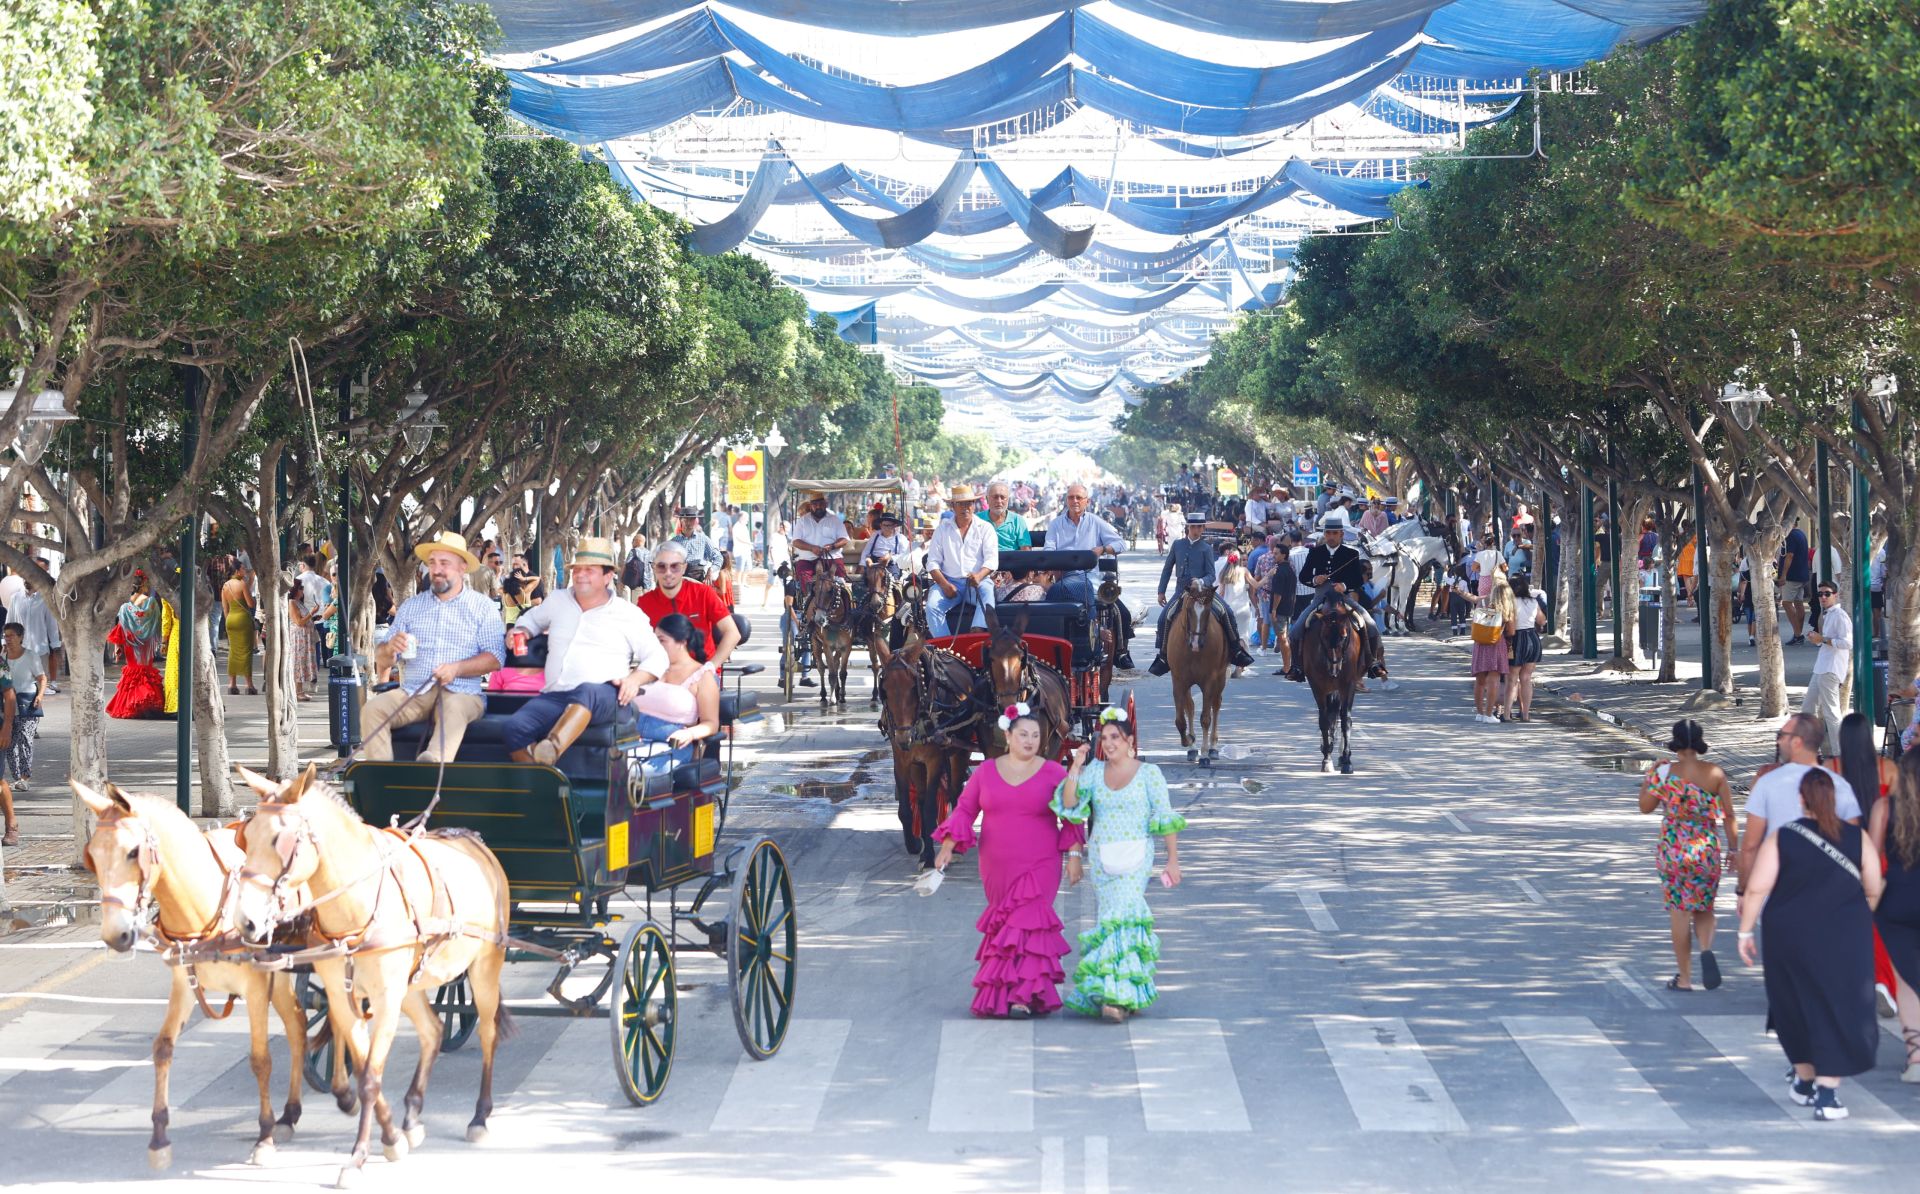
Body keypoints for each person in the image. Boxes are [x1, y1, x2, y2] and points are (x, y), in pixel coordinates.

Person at [1737, 768, 1883, 1119]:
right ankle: (1828, 1093)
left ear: (1802, 800)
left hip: (1789, 935)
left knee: (1793, 1002)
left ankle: (1804, 1080)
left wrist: (1744, 932)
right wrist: (1856, 916)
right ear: (1833, 800)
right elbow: (1874, 886)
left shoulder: (1783, 838)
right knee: (1840, 1005)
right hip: (1846, 935)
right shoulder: (1857, 837)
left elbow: (1758, 888)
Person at [931, 704, 1084, 1018]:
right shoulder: (986, 772)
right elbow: (964, 810)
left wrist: (1075, 857)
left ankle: (1022, 996)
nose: (1029, 741)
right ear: (1007, 736)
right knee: (1006, 925)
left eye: (1036, 736)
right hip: (996, 863)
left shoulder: (1054, 772)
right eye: (1023, 734)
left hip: (1041, 861)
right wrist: (947, 846)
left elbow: (1072, 816)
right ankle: (1008, 993)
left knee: (1028, 920)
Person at [1051, 708, 1184, 1021]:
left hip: (1136, 857)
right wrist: (1076, 767)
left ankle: (1118, 996)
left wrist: (1173, 861)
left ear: (1129, 741)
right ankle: (1121, 989)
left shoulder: (1149, 774)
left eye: (1116, 737)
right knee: (1110, 921)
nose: (1109, 743)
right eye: (1105, 737)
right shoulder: (1094, 772)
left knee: (1123, 918)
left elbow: (1165, 818)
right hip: (1102, 859)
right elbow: (1070, 805)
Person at [502, 537, 668, 765]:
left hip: (606, 696)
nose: (580, 575)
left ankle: (551, 748)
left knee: (587, 691)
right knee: (513, 728)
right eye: (577, 570)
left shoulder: (627, 613)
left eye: (589, 570)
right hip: (556, 695)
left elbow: (657, 657)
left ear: (608, 576)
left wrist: (634, 680)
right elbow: (531, 619)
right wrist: (521, 630)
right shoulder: (558, 600)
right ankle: (543, 774)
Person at [360, 531, 506, 762]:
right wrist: (388, 649)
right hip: (416, 691)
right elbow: (383, 659)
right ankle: (382, 778)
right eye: (432, 563)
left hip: (463, 693)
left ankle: (432, 764)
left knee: (454, 707)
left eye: (444, 563)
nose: (436, 569)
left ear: (462, 567)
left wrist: (456, 668)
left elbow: (496, 658)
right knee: (372, 709)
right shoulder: (411, 607)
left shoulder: (482, 607)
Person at [1639, 720, 1739, 991]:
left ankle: (1684, 977)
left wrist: (1651, 776)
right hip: (1705, 848)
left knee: (1679, 912)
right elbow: (1729, 815)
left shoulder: (1665, 772)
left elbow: (1645, 807)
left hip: (1673, 849)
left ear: (1675, 741)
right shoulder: (1715, 773)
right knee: (1705, 907)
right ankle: (1706, 948)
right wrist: (1734, 849)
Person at [1738, 714, 1863, 891]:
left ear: (1796, 742)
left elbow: (1750, 845)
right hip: (1828, 890)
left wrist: (1743, 890)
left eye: (1782, 735)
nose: (1779, 741)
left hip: (1778, 890)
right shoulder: (1840, 785)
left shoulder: (1767, 783)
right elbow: (1853, 841)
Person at [1868, 751, 1920, 1082]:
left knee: (1906, 983)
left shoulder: (1885, 807)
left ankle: (1916, 1060)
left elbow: (1871, 861)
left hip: (1897, 902)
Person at [1043, 484, 1135, 668]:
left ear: (1087, 501)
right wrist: (1057, 562)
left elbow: (1121, 544)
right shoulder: (1056, 524)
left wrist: (1103, 548)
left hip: (1092, 579)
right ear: (1066, 500)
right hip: (1064, 578)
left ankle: (1121, 651)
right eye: (1071, 498)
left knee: (1123, 613)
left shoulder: (1096, 522)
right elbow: (1048, 550)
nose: (1075, 501)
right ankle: (1090, 630)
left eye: (1079, 497)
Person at [1284, 517, 1385, 683]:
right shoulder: (1315, 552)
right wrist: (1315, 580)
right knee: (1296, 630)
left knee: (1371, 625)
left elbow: (1358, 580)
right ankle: (1297, 666)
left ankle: (1372, 662)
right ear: (1325, 533)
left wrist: (1345, 586)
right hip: (1320, 598)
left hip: (1343, 598)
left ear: (1341, 534)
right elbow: (1303, 576)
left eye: (1334, 533)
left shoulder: (1351, 554)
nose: (1331, 536)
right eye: (1328, 533)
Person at [1149, 514, 1253, 675]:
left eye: (1199, 527)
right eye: (1193, 527)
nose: (1196, 530)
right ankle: (1163, 655)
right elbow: (1168, 568)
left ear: (1203, 528)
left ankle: (1236, 650)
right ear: (1188, 528)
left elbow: (1211, 575)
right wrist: (1161, 591)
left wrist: (1201, 581)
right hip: (1182, 591)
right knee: (1164, 617)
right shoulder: (1177, 545)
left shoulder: (1206, 548)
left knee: (1227, 612)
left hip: (1203, 592)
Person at [630, 613, 720, 768]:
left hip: (671, 742)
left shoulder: (702, 676)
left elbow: (711, 723)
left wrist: (689, 734)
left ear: (681, 642)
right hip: (632, 738)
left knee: (636, 771)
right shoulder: (647, 668)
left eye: (662, 640)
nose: (656, 646)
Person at [636, 541, 741, 673]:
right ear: (654, 568)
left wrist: (711, 667)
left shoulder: (703, 594)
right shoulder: (645, 603)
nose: (668, 572)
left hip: (701, 673)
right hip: (662, 675)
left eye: (675, 566)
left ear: (684, 567)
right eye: (661, 566)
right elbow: (637, 643)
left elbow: (732, 633)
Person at [925, 484, 998, 636]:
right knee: (932, 606)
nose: (965, 507)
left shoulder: (985, 528)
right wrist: (944, 584)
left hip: (978, 581)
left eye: (968, 503)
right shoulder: (942, 529)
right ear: (953, 506)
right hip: (950, 581)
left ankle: (976, 634)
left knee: (987, 591)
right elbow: (932, 562)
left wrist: (979, 576)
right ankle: (944, 650)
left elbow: (992, 560)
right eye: (961, 504)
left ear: (974, 505)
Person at [106, 571, 167, 719]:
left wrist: (118, 646)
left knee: (133, 669)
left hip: (129, 642)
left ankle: (131, 704)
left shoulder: (125, 606)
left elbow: (121, 626)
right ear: (144, 583)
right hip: (145, 644)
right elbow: (155, 623)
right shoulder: (150, 602)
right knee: (144, 668)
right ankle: (146, 702)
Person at [1802, 581, 1850, 754]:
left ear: (1835, 595)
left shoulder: (1839, 615)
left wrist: (1822, 639)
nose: (1823, 597)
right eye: (1820, 594)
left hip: (1831, 669)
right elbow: (1826, 640)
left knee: (1831, 712)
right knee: (1807, 709)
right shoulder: (1828, 614)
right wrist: (1818, 639)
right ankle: (1809, 750)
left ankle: (1840, 754)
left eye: (1827, 593)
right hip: (1821, 667)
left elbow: (1847, 643)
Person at [2, 622, 45, 790]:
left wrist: (40, 696)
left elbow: (42, 678)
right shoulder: (2, 657)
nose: (8, 639)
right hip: (7, 706)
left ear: (21, 637)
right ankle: (17, 778)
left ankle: (25, 777)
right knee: (9, 743)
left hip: (27, 704)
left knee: (25, 740)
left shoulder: (30, 656)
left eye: (12, 635)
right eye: (6, 635)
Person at [1470, 571, 1512, 723]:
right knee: (1493, 680)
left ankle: (1479, 713)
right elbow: (1511, 630)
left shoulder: (1482, 601)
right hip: (1496, 643)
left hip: (1480, 642)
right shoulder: (1505, 607)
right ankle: (1489, 714)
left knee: (1480, 681)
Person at [790, 491, 849, 594]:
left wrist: (832, 546)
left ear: (825, 504)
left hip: (831, 558)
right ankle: (808, 599)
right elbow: (796, 541)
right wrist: (811, 548)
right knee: (802, 573)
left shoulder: (834, 519)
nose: (818, 507)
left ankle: (845, 604)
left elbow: (844, 539)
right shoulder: (803, 521)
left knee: (841, 581)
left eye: (821, 504)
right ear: (810, 506)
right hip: (808, 559)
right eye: (815, 504)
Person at [1506, 574, 1547, 721]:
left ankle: (1507, 714)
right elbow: (1542, 621)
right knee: (1526, 678)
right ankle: (1525, 714)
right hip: (1532, 639)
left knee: (1512, 679)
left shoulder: (1509, 603)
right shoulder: (1533, 602)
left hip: (1516, 640)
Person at [220, 559, 258, 696]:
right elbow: (250, 604)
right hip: (243, 619)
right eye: (242, 569)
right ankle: (249, 685)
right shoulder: (241, 584)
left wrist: (227, 623)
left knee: (233, 652)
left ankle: (232, 684)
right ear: (237, 571)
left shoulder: (225, 586)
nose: (245, 571)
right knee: (246, 652)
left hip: (230, 620)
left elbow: (225, 609)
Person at [1218, 552, 1255, 678]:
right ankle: (1239, 667)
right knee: (1243, 636)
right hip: (1243, 609)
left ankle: (1227, 663)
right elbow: (1256, 585)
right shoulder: (1244, 571)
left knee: (1228, 635)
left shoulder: (1224, 573)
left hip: (1229, 609)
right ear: (1239, 560)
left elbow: (1221, 594)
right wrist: (1268, 576)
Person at [668, 507, 726, 581]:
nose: (688, 523)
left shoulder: (703, 539)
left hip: (698, 578)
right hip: (678, 579)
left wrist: (711, 570)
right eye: (685, 520)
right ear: (680, 520)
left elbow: (718, 557)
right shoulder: (673, 542)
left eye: (691, 519)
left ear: (695, 520)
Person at [1778, 521, 1812, 644]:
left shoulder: (1790, 536)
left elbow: (1789, 556)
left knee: (1787, 603)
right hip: (1801, 575)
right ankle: (1798, 634)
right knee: (1799, 604)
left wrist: (1783, 575)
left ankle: (1798, 634)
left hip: (1792, 576)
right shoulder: (1801, 534)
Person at [287, 580, 317, 701]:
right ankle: (297, 691)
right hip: (299, 638)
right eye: (300, 588)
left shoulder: (299, 603)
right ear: (295, 590)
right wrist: (311, 613)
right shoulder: (292, 603)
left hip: (305, 637)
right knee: (298, 663)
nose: (302, 590)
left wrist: (312, 617)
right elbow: (299, 622)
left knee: (302, 663)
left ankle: (300, 690)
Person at [858, 512, 913, 576]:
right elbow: (866, 551)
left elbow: (904, 555)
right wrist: (862, 564)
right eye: (884, 525)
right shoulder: (875, 535)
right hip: (874, 562)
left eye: (889, 525)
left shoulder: (900, 538)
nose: (886, 528)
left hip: (891, 564)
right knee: (864, 579)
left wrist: (891, 558)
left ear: (894, 526)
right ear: (880, 525)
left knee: (894, 578)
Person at [984, 481, 1031, 552]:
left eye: (1003, 497)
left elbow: (1026, 550)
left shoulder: (1017, 520)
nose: (999, 501)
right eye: (995, 497)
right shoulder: (977, 520)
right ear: (987, 499)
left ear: (1008, 500)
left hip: (1012, 561)